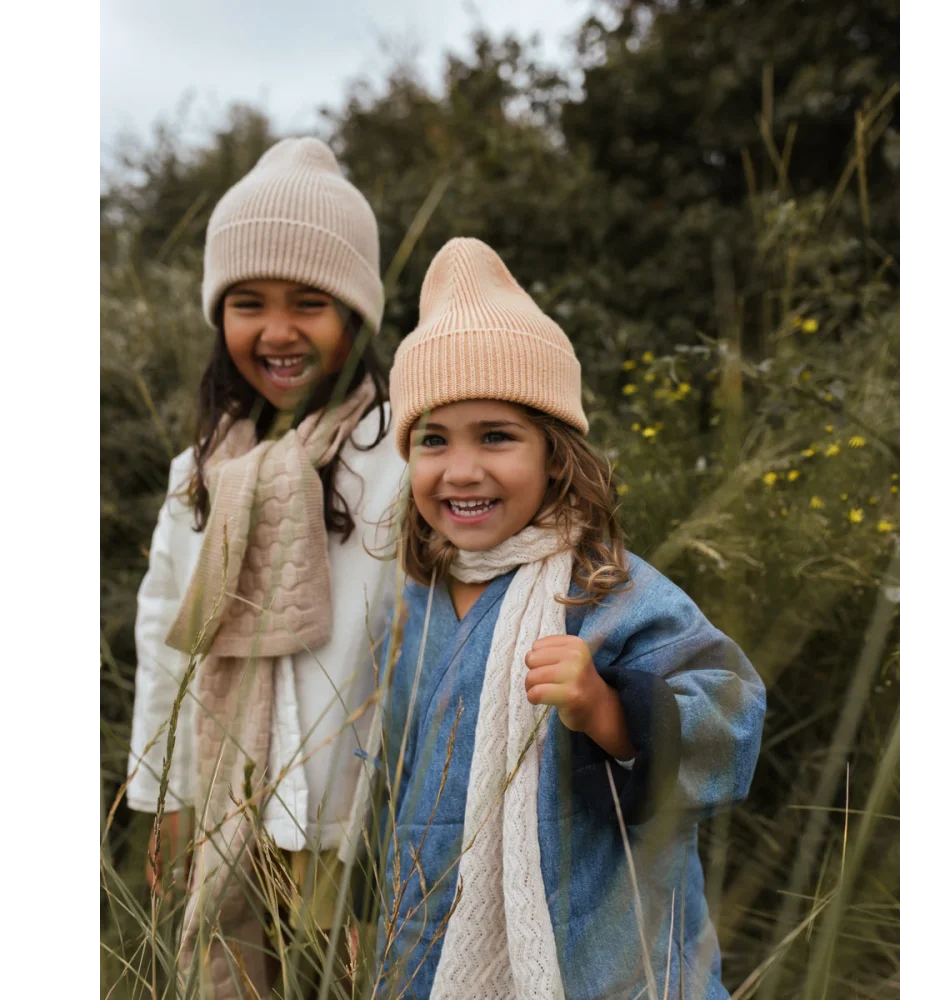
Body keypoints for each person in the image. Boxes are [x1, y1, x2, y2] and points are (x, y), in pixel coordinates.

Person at [374, 237, 767, 999]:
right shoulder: (409, 605)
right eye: (433, 439)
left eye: (496, 435)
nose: (461, 469)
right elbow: (381, 775)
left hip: (604, 952)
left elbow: (734, 719)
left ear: (555, 454)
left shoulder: (610, 589)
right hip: (431, 942)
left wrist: (609, 708)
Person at [126, 136, 406, 998]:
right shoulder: (200, 474)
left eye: (309, 303)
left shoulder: (404, 450)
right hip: (235, 811)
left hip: (357, 814)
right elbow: (166, 638)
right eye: (248, 303)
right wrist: (164, 796)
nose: (278, 332)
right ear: (220, 317)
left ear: (355, 315)